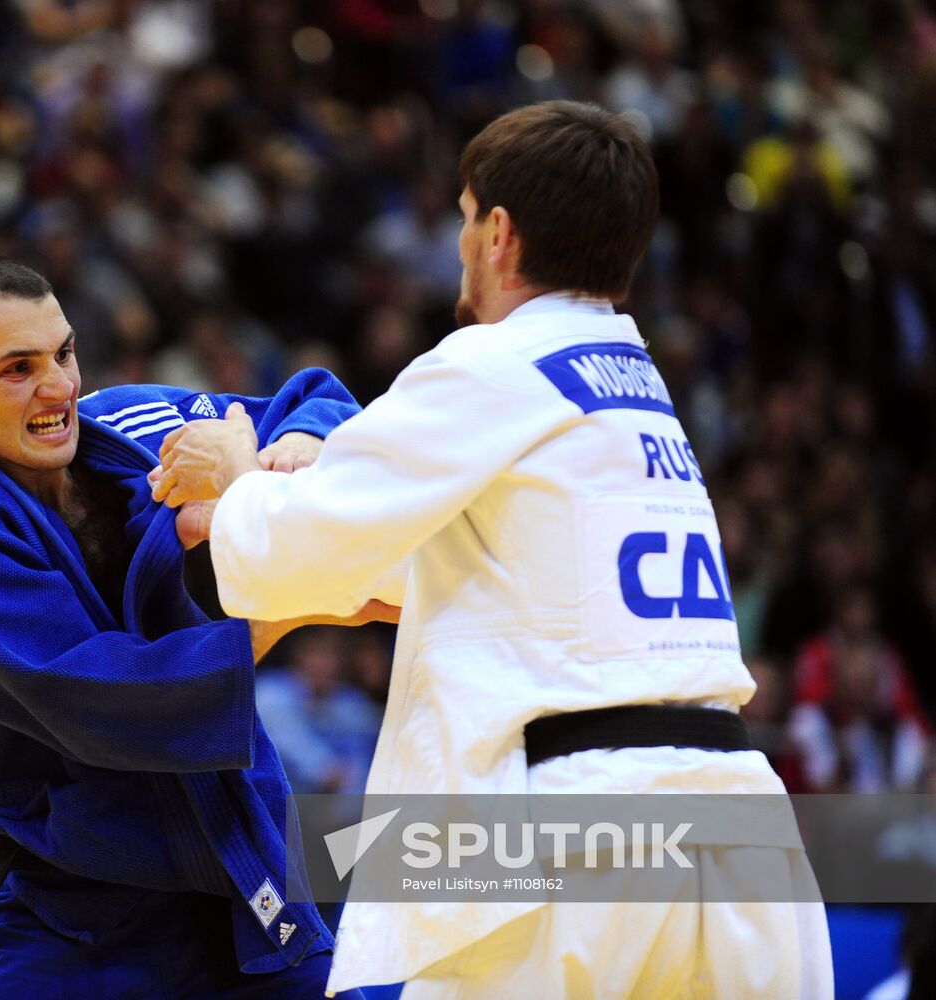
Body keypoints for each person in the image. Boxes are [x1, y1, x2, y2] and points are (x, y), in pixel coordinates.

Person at [152, 101, 835, 999]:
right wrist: (316, 482)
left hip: (573, 834)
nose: (463, 237)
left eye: (468, 215)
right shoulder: (633, 387)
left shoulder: (492, 362)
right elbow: (465, 567)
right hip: (741, 837)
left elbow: (291, 557)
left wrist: (242, 477)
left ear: (500, 232)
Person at [0, 257, 394, 997]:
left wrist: (301, 451)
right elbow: (98, 695)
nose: (59, 387)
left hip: (246, 869)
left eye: (64, 353)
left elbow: (310, 397)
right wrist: (292, 613)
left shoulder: (135, 422)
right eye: (19, 368)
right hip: (78, 911)